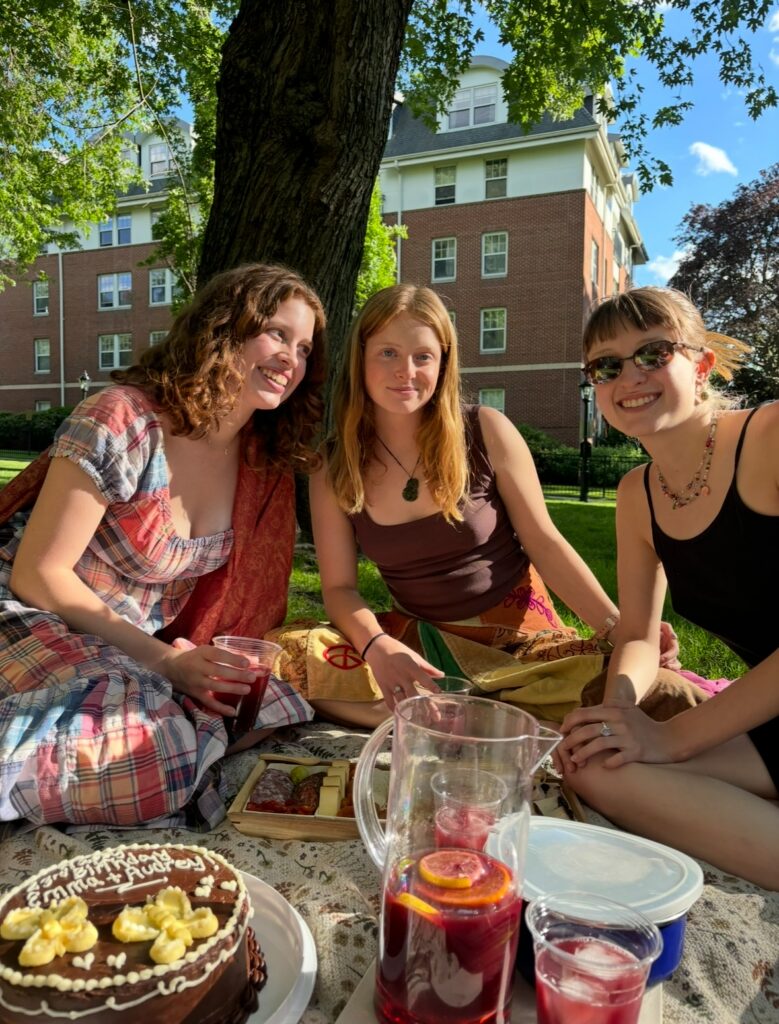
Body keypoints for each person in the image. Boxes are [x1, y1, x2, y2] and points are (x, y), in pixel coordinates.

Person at [0, 262, 326, 829]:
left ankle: (147, 760)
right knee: (153, 741)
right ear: (224, 328)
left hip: (131, 655)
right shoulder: (124, 419)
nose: (290, 359)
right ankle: (162, 763)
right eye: (277, 333)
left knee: (275, 702)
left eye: (303, 348)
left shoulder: (260, 466)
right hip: (35, 618)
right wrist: (169, 664)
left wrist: (186, 666)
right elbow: (39, 575)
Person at [303, 283, 690, 729]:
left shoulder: (485, 430)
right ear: (361, 359)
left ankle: (453, 719)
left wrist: (617, 628)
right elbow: (338, 589)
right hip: (421, 647)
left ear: (444, 362)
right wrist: (377, 646)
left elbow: (544, 543)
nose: (405, 371)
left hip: (524, 648)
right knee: (292, 656)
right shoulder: (333, 464)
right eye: (387, 353)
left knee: (650, 698)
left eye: (423, 356)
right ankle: (486, 718)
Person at [558, 286, 779, 890]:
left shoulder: (769, 438)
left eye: (653, 353)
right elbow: (634, 631)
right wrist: (618, 716)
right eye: (607, 365)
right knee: (596, 768)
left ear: (700, 364)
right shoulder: (638, 494)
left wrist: (672, 739)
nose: (630, 375)